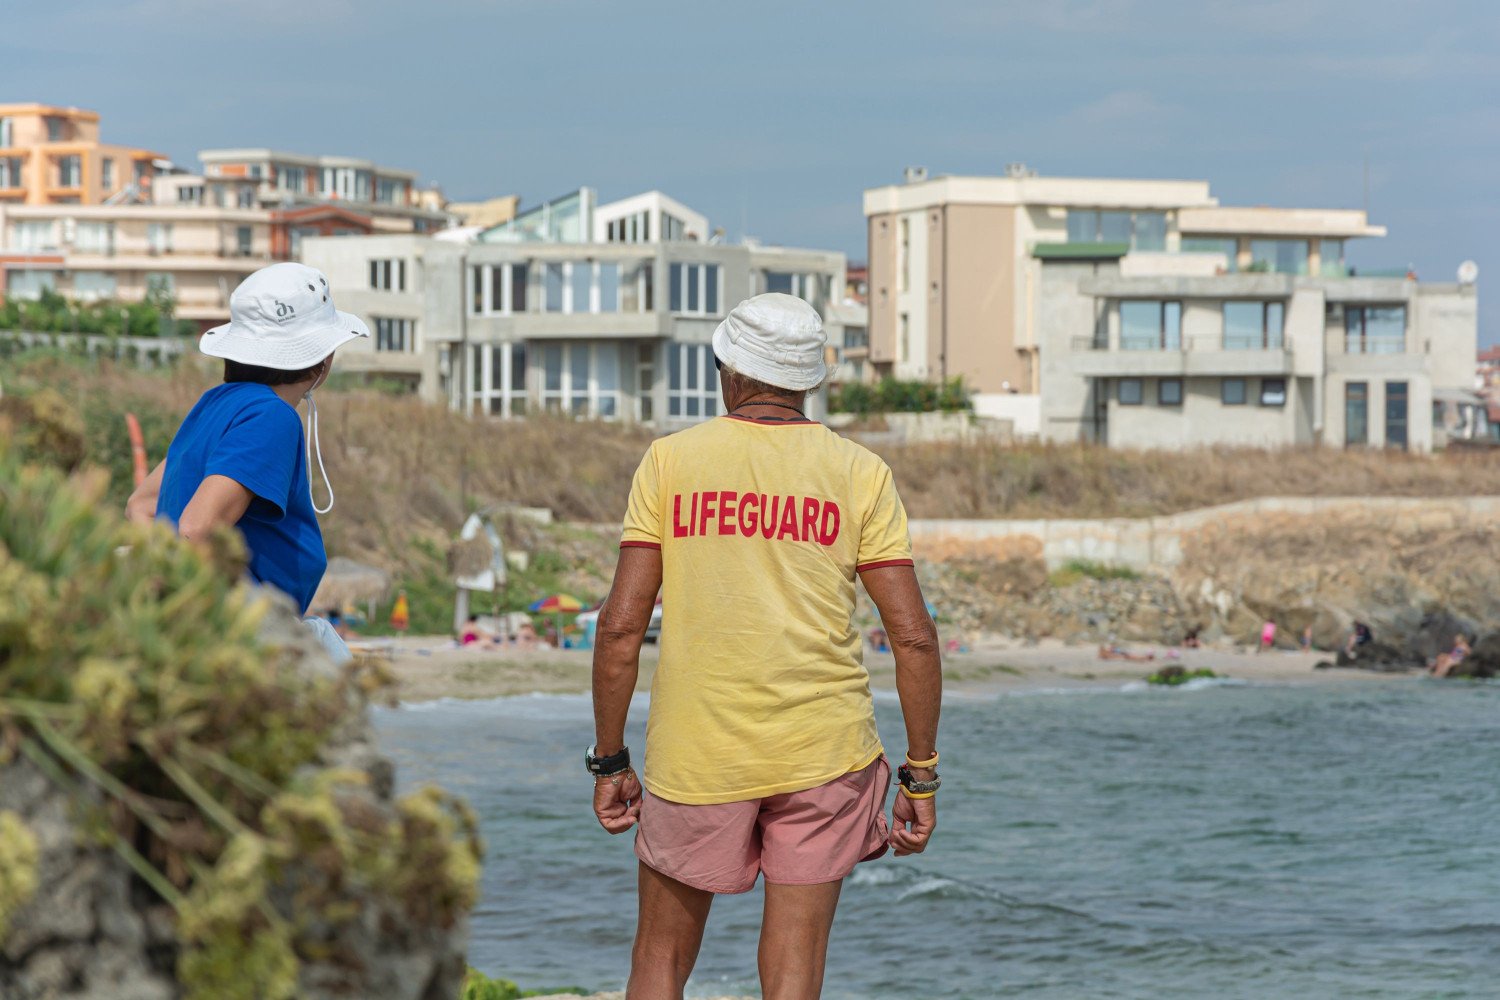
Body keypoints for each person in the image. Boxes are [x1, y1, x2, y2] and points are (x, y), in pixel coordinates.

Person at [589, 294, 942, 1000]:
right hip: (824, 753)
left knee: (659, 960)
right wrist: (920, 774)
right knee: (794, 976)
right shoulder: (859, 472)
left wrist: (610, 761)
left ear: (728, 369)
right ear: (808, 379)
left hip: (698, 751)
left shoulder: (670, 462)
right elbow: (914, 637)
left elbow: (622, 626)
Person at [126, 262, 368, 664]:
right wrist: (231, 624)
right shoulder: (272, 417)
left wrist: (165, 593)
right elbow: (195, 530)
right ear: (320, 360)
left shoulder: (213, 404)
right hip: (251, 640)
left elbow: (142, 505)